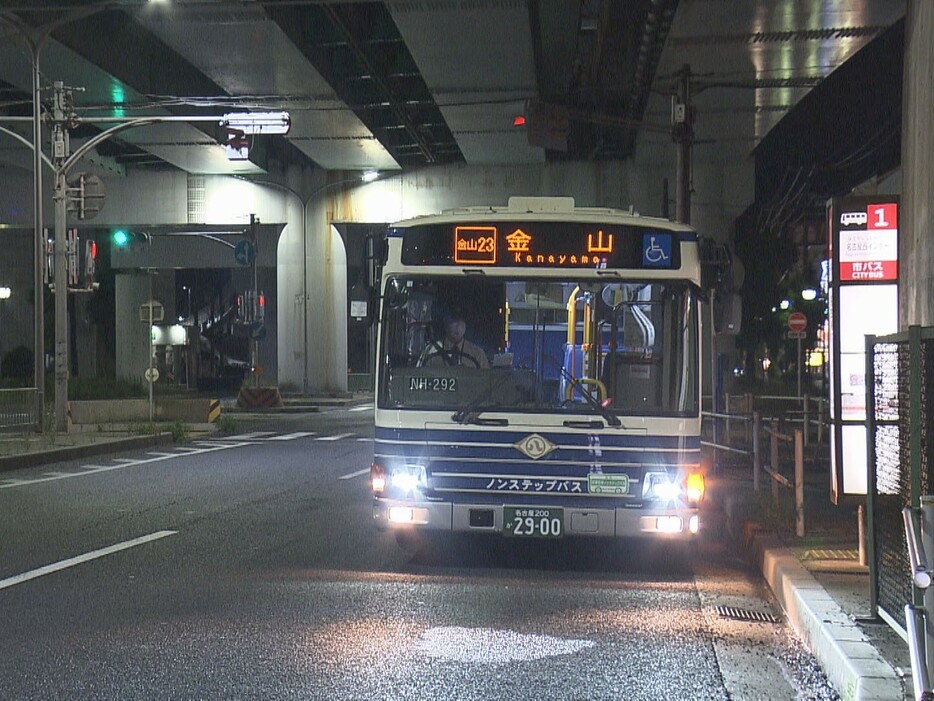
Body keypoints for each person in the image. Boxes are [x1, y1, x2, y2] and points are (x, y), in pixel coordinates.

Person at [418, 314, 489, 368]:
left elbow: (488, 381)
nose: (457, 326)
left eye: (461, 321)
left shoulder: (477, 354)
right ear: (446, 324)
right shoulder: (430, 351)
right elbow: (417, 377)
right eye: (453, 321)